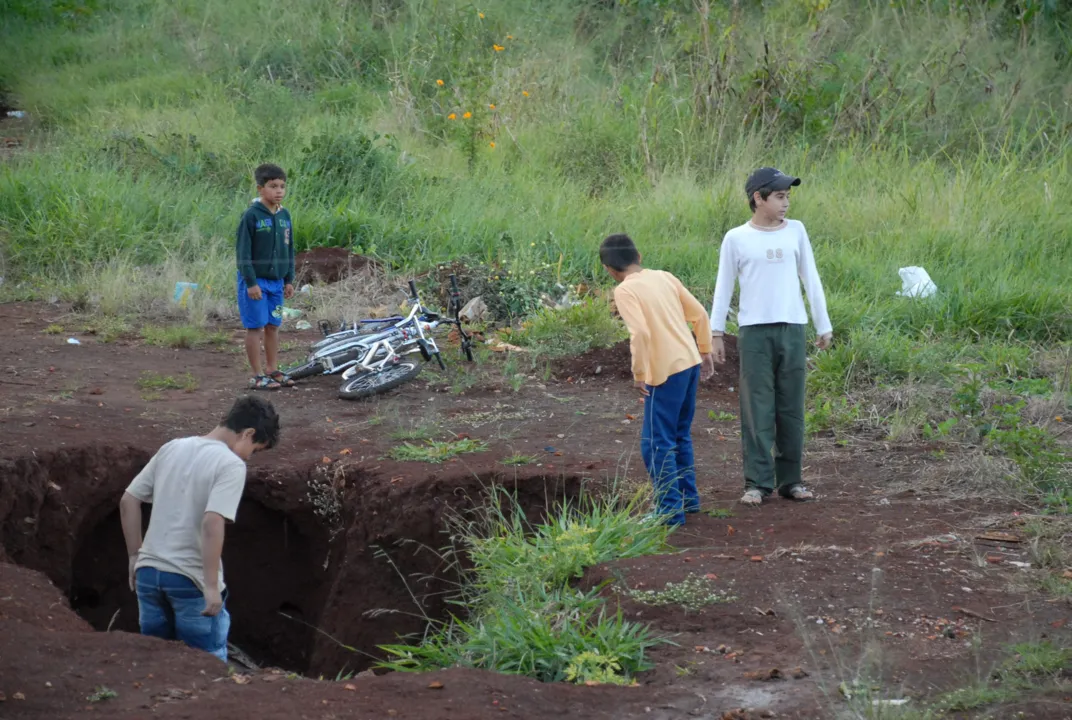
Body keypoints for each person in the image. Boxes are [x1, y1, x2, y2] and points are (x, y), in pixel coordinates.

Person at [119, 395, 281, 662]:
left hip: (148, 576)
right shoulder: (230, 465)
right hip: (189, 579)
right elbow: (212, 522)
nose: (250, 457)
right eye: (255, 449)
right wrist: (210, 585)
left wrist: (135, 557)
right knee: (207, 663)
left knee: (154, 662)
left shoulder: (173, 447)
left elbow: (128, 501)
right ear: (248, 433)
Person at [709, 167, 833, 507]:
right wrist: (715, 332)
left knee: (791, 407)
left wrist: (823, 324)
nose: (786, 203)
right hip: (754, 333)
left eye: (787, 196)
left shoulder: (796, 231)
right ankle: (758, 483)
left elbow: (811, 278)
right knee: (756, 407)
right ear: (758, 198)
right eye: (779, 196)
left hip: (793, 328)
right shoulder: (736, 238)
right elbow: (724, 286)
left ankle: (791, 480)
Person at [600, 233, 715, 527]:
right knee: (679, 434)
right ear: (639, 256)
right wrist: (705, 351)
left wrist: (639, 373)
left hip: (665, 371)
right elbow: (700, 314)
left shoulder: (625, 291)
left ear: (609, 270)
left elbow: (640, 334)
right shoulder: (664, 276)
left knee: (655, 442)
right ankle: (688, 500)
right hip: (689, 362)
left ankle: (668, 510)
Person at [236, 163, 297, 391]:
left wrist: (288, 279)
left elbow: (289, 248)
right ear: (260, 188)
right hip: (256, 283)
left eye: (282, 186)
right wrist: (251, 282)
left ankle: (272, 369)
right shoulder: (251, 216)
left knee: (273, 325)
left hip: (277, 284)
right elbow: (242, 252)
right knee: (256, 327)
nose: (279, 191)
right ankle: (257, 375)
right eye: (273, 186)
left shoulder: (284, 215)